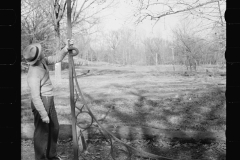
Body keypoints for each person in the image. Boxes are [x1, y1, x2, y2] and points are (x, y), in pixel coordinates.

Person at [23, 39, 73, 160]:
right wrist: (44, 114)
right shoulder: (33, 74)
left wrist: (66, 48)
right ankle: (40, 158)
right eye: (40, 51)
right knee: (42, 133)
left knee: (54, 127)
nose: (42, 52)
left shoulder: (42, 61)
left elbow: (56, 58)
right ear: (38, 56)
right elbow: (35, 97)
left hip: (49, 100)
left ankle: (52, 156)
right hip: (41, 103)